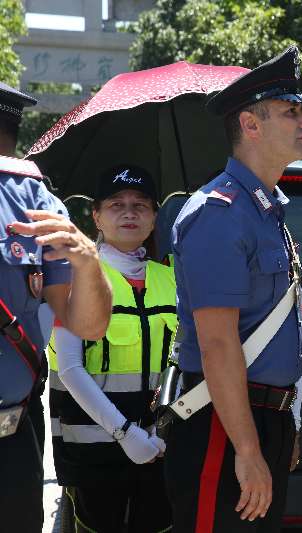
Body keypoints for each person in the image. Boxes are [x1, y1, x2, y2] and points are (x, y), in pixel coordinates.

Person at [164, 45, 302, 533]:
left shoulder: (266, 210)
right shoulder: (219, 213)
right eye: (291, 111)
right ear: (250, 125)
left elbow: (277, 326)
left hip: (264, 419)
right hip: (223, 422)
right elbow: (218, 345)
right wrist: (247, 448)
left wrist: (284, 427)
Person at [0, 83, 112, 533]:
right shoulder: (34, 197)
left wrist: (88, 261)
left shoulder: (37, 202)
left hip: (13, 441)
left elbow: (88, 325)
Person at [47, 165, 173, 532]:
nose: (129, 213)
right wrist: (125, 433)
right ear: (97, 216)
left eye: (140, 205)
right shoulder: (73, 277)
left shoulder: (173, 279)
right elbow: (70, 368)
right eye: (116, 204)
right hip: (93, 453)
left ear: (154, 218)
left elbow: (185, 363)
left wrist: (161, 432)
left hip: (160, 448)